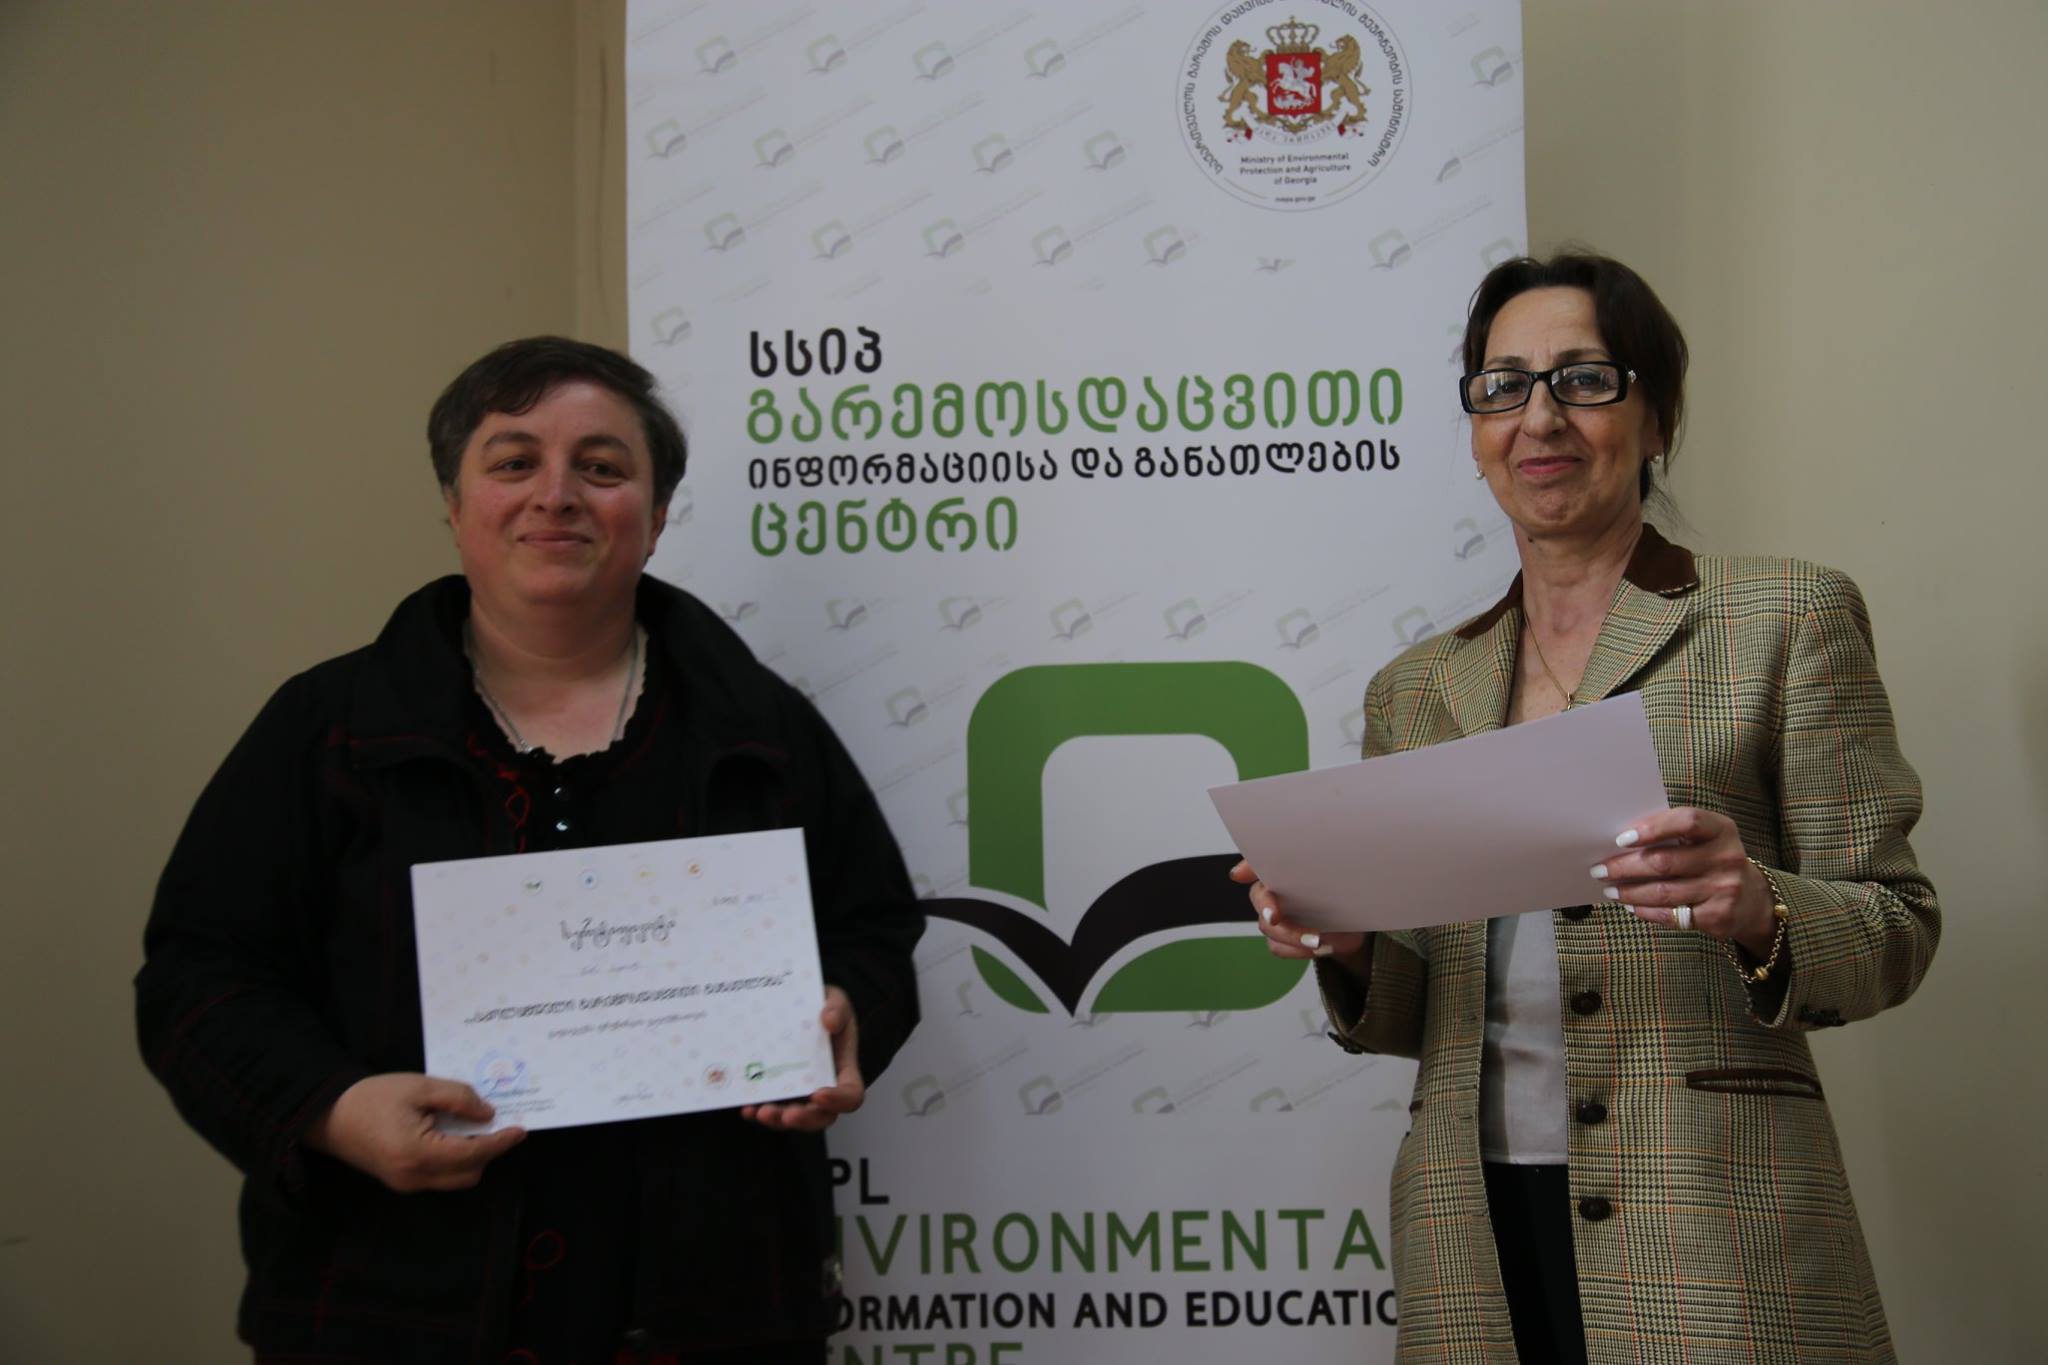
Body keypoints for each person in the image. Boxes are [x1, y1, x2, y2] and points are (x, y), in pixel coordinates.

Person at [135, 337, 924, 1363]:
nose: (556, 495)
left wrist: (845, 1015)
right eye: (514, 462)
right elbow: (199, 976)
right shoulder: (327, 729)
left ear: (656, 514)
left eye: (601, 466)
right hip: (389, 1307)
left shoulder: (762, 730)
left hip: (717, 1311)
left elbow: (873, 932)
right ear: (453, 504)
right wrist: (331, 1110)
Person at [1236, 252, 1938, 1363]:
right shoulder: (1416, 689)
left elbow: (1896, 926)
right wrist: (1351, 942)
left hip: (1712, 1215)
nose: (1539, 417)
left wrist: (1757, 905)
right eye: (1502, 386)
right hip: (1471, 1227)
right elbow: (1418, 1012)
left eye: (1584, 379)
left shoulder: (1782, 618)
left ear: (1656, 418)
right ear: (1477, 430)